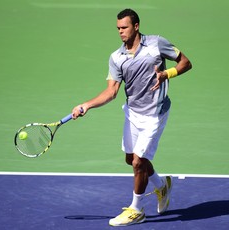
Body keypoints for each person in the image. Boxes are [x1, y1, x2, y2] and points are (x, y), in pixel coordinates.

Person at [72, 8, 192, 226]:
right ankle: (161, 185)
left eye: (124, 27)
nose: (120, 32)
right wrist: (86, 105)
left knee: (139, 162)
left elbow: (186, 63)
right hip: (133, 113)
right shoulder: (116, 58)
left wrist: (167, 74)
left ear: (136, 26)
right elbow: (111, 92)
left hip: (155, 114)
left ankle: (137, 210)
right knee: (131, 159)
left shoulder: (157, 44)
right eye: (118, 28)